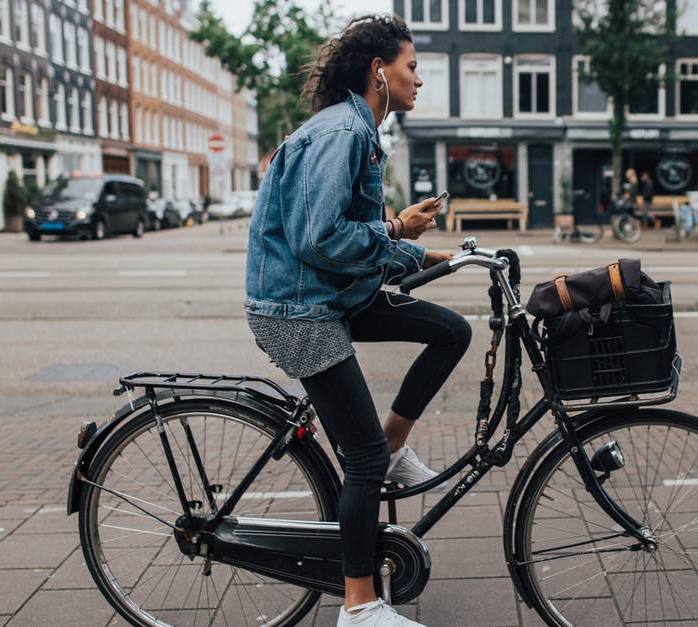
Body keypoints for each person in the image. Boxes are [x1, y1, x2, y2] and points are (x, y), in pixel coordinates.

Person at [244, 14, 468, 627]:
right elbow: (321, 240)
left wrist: (430, 256)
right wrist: (396, 228)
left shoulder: (359, 131)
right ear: (379, 72)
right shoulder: (342, 131)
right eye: (411, 66)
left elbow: (353, 241)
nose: (418, 79)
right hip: (299, 309)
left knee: (452, 331)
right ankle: (360, 605)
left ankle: (393, 449)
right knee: (360, 456)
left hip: (331, 294)